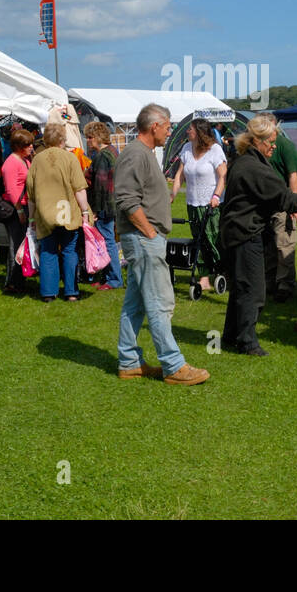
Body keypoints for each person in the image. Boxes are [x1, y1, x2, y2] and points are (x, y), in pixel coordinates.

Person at [220, 114, 297, 355]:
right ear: (257, 141)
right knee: (254, 291)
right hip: (245, 233)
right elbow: (286, 198)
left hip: (235, 231)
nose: (274, 146)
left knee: (241, 288)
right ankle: (247, 342)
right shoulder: (254, 168)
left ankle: (231, 336)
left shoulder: (242, 161)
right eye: (271, 142)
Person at [114, 104, 209, 385]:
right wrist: (150, 233)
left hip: (145, 238)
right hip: (145, 238)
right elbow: (127, 200)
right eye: (168, 126)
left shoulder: (142, 153)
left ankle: (129, 362)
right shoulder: (136, 154)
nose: (171, 132)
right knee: (159, 302)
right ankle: (173, 365)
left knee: (136, 304)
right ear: (154, 126)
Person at [25, 123, 90, 302]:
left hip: (45, 214)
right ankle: (71, 292)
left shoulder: (37, 159)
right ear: (62, 139)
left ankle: (48, 293)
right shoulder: (70, 158)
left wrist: (31, 217)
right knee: (69, 251)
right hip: (68, 212)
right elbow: (79, 189)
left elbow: (30, 193)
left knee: (48, 251)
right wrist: (85, 212)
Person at [170, 118, 227, 293]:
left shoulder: (215, 150)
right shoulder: (187, 148)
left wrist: (216, 196)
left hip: (212, 204)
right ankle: (204, 277)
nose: (187, 132)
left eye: (190, 129)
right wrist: (172, 194)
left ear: (200, 132)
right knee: (199, 240)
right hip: (192, 203)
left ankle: (220, 270)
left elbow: (223, 176)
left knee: (213, 239)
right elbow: (180, 175)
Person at [264, 116, 297, 302]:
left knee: (284, 245)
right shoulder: (259, 146)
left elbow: (293, 175)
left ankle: (285, 287)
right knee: (268, 247)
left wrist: (293, 204)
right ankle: (269, 283)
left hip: (283, 203)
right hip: (265, 204)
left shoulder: (285, 145)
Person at [83, 121, 122, 290]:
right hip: (113, 204)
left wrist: (96, 210)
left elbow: (100, 187)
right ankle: (106, 276)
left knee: (107, 241)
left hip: (105, 205)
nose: (88, 141)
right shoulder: (113, 151)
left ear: (98, 137)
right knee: (107, 241)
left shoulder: (101, 156)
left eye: (90, 137)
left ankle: (114, 279)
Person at [0, 127, 35, 292]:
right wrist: (20, 211)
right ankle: (12, 283)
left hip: (24, 207)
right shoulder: (11, 163)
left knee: (22, 243)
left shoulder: (25, 160)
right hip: (15, 210)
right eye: (28, 145)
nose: (31, 148)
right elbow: (11, 190)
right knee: (15, 245)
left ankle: (20, 279)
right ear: (19, 146)